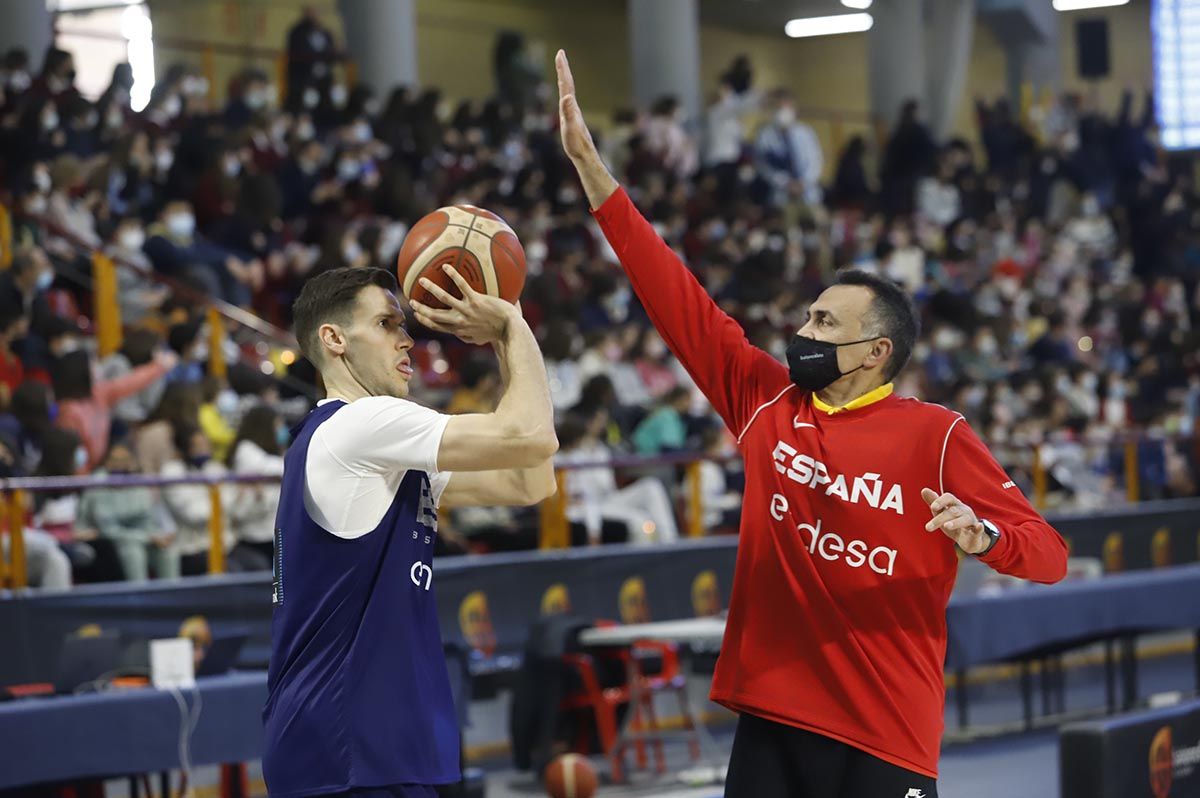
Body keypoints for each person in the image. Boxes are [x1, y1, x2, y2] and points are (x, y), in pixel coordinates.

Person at [555, 50, 1067, 798]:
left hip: (886, 730)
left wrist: (984, 537)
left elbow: (1049, 554)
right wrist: (597, 179)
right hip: (773, 718)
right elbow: (676, 296)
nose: (804, 329)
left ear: (875, 351)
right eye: (808, 314)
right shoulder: (767, 401)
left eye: (825, 321)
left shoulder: (938, 436)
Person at [263, 266, 558, 797]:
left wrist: (502, 347)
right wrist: (511, 326)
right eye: (385, 323)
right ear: (334, 340)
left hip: (359, 741)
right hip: (346, 742)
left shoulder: (375, 452)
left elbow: (528, 481)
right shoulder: (359, 425)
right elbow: (531, 437)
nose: (407, 339)